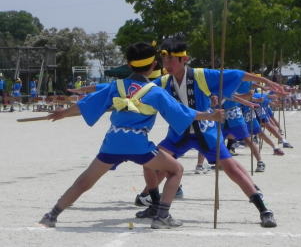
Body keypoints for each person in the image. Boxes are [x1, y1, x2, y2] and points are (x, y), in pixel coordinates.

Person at [38, 42, 224, 229]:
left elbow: (86, 104)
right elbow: (183, 112)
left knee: (85, 180)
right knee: (176, 170)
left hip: (113, 142)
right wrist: (211, 115)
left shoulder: (115, 86)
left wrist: (63, 113)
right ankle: (162, 216)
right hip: (138, 144)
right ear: (153, 66)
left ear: (129, 64)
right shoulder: (156, 92)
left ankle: (52, 215)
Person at [137, 38, 285, 228]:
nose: (167, 65)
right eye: (164, 61)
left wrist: (265, 81)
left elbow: (237, 75)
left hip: (206, 132)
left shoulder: (201, 75)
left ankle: (264, 209)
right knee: (150, 163)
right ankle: (155, 204)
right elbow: (140, 91)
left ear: (185, 59)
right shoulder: (164, 81)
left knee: (232, 169)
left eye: (171, 60)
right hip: (177, 134)